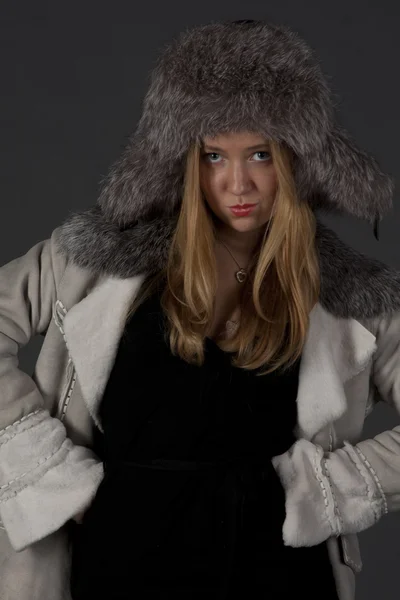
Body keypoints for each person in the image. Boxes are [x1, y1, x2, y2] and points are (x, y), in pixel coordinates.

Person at [0, 17, 399, 600]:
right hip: (121, 568)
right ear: (188, 161)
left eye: (259, 154)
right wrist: (49, 475)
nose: (238, 183)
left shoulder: (349, 296)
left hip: (279, 575)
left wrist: (332, 490)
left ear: (292, 159)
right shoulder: (93, 262)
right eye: (215, 156)